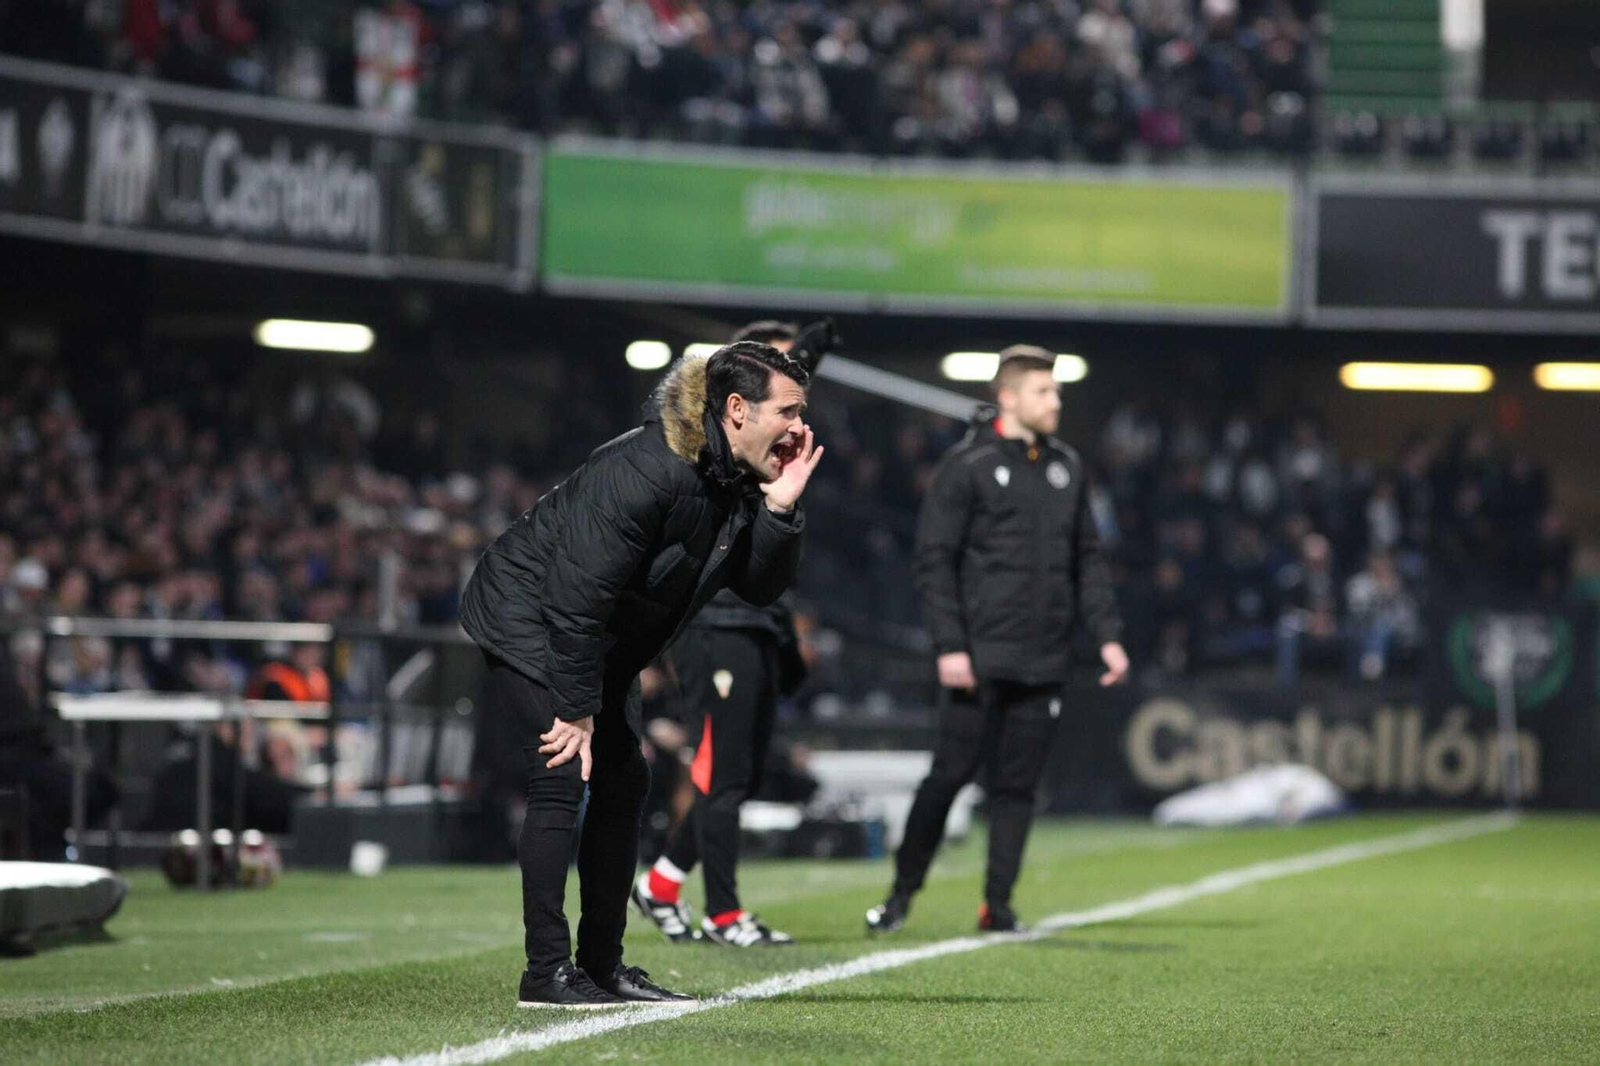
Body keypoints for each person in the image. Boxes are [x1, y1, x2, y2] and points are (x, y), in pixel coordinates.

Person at [459, 341, 823, 1008]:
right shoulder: (649, 468)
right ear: (737, 409)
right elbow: (575, 594)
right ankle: (545, 972)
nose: (802, 428)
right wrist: (575, 709)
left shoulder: (735, 477)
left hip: (594, 634)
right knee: (562, 772)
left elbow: (760, 585)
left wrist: (781, 508)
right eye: (790, 411)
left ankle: (602, 968)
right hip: (528, 615)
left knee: (627, 780)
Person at [866, 345, 1128, 935]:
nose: (1055, 401)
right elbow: (934, 562)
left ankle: (998, 907)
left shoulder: (1068, 466)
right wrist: (950, 646)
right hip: (979, 658)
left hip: (1044, 659)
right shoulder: (967, 466)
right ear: (1007, 397)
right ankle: (901, 893)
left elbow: (1088, 559)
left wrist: (1108, 637)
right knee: (948, 779)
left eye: (1056, 391)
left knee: (1018, 789)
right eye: (1044, 391)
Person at [633, 319, 837, 948]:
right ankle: (724, 914)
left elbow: (785, 392)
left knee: (740, 775)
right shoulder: (703, 433)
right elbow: (676, 415)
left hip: (754, 619)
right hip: (711, 619)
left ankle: (663, 883)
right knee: (719, 776)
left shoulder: (771, 433)